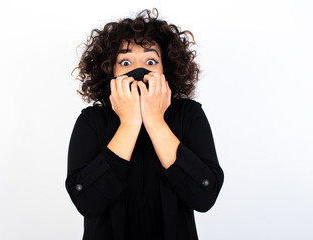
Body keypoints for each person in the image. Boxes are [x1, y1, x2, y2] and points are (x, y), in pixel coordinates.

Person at [65, 8, 224, 240]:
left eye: (150, 61)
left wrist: (154, 120)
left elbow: (204, 195)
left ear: (165, 70)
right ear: (111, 72)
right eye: (125, 62)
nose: (138, 71)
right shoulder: (91, 121)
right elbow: (87, 201)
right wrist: (130, 123)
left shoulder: (189, 115)